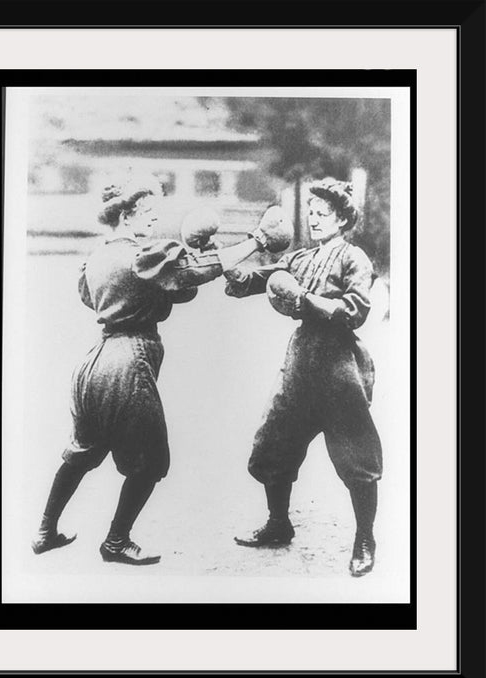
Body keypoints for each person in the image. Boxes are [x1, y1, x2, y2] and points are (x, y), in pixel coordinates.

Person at [31, 174, 292, 566]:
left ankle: (44, 531)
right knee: (151, 462)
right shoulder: (141, 256)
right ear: (128, 214)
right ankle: (116, 542)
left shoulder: (98, 257)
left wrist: (189, 257)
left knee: (83, 452)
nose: (154, 220)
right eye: (148, 213)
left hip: (94, 363)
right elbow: (192, 274)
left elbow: (165, 289)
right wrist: (255, 240)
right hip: (129, 362)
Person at [224, 178, 383, 577]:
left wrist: (305, 300)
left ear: (343, 218)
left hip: (337, 366)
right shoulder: (300, 259)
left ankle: (365, 538)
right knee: (272, 445)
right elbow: (254, 282)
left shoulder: (354, 259)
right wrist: (224, 261)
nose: (313, 220)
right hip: (300, 362)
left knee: (357, 458)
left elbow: (356, 309)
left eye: (322, 213)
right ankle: (278, 524)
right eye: (311, 213)